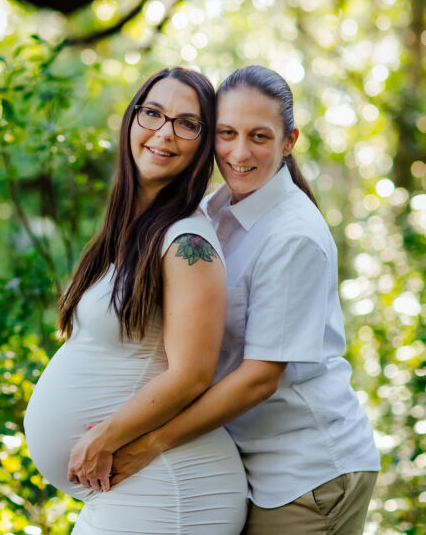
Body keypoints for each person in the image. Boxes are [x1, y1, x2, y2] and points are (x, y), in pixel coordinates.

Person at [106, 65, 380, 534]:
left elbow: (258, 380)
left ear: (289, 140)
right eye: (227, 133)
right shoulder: (215, 209)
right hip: (247, 465)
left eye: (259, 136)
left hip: (305, 475)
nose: (238, 152)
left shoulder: (295, 236)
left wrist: (151, 443)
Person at [23, 67, 247, 534]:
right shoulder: (130, 232)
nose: (164, 132)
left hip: (174, 485)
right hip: (140, 487)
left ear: (203, 144)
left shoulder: (188, 242)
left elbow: (193, 374)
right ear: (131, 120)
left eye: (187, 123)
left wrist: (106, 435)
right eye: (154, 114)